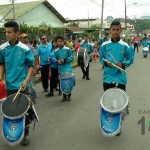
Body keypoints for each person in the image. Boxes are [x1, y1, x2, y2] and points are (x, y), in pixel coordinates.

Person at [0, 21, 34, 146]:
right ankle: (13, 132)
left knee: (25, 110)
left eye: (9, 32)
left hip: (22, 86)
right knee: (11, 110)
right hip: (9, 86)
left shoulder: (25, 49)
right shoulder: (2, 48)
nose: (7, 35)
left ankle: (26, 133)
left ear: (16, 33)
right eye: (6, 32)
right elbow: (1, 63)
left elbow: (30, 66)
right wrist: (1, 77)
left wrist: (26, 80)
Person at [99, 21, 134, 135]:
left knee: (119, 102)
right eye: (113, 29)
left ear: (121, 31)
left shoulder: (125, 46)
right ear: (110, 31)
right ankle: (110, 124)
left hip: (120, 77)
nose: (115, 32)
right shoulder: (104, 45)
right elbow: (101, 58)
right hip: (107, 77)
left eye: (117, 30)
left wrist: (123, 64)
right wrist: (106, 63)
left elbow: (130, 59)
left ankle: (118, 125)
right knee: (108, 102)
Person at [54, 36, 74, 101]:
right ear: (56, 43)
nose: (59, 43)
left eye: (61, 41)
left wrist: (64, 60)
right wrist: (57, 61)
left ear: (63, 42)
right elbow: (55, 59)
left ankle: (69, 95)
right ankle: (64, 96)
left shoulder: (68, 49)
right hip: (61, 69)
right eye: (58, 41)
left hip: (68, 68)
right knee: (62, 82)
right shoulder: (56, 51)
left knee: (69, 81)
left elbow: (72, 58)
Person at [19, 33, 37, 104]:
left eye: (26, 37)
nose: (25, 39)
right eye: (23, 38)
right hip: (22, 71)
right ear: (20, 38)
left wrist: (34, 69)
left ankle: (33, 98)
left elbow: (33, 59)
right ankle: (25, 99)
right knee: (24, 86)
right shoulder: (18, 48)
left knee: (32, 85)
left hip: (30, 70)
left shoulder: (30, 48)